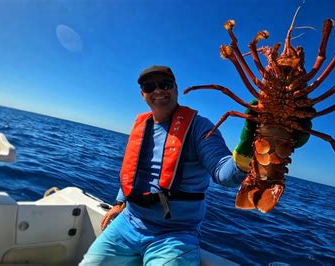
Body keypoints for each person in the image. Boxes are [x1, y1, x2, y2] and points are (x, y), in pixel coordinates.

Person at [80, 65, 252, 266]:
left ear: (176, 88)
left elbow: (224, 174)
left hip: (174, 234)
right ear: (143, 94)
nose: (158, 91)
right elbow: (132, 173)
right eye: (149, 86)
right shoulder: (143, 127)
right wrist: (119, 203)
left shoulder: (199, 127)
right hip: (128, 222)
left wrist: (249, 147)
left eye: (165, 84)